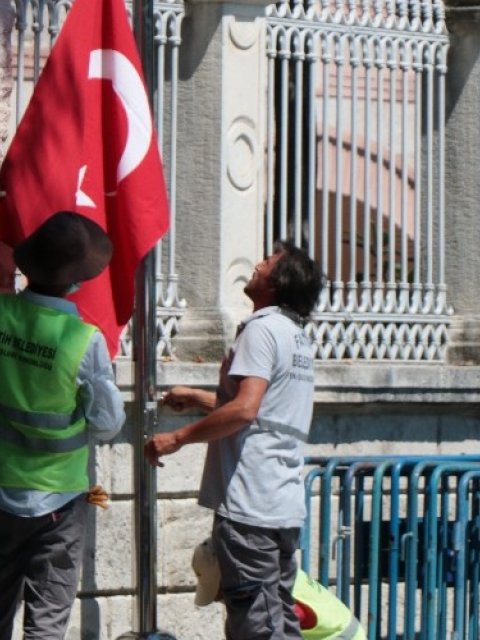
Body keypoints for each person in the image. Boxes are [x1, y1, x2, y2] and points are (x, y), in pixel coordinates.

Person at [0, 178, 125, 640]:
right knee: (45, 627)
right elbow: (108, 424)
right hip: (59, 504)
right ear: (76, 282)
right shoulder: (84, 342)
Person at [144, 242, 324, 639]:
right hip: (280, 505)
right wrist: (197, 398)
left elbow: (244, 410)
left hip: (250, 506)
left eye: (268, 262)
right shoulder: (295, 336)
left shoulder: (260, 329)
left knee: (257, 626)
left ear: (278, 282)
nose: (257, 264)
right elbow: (261, 410)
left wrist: (177, 438)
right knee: (279, 619)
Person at [191, 539, 365, 640]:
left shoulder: (270, 591)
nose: (222, 601)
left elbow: (281, 627)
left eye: (220, 594)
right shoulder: (271, 571)